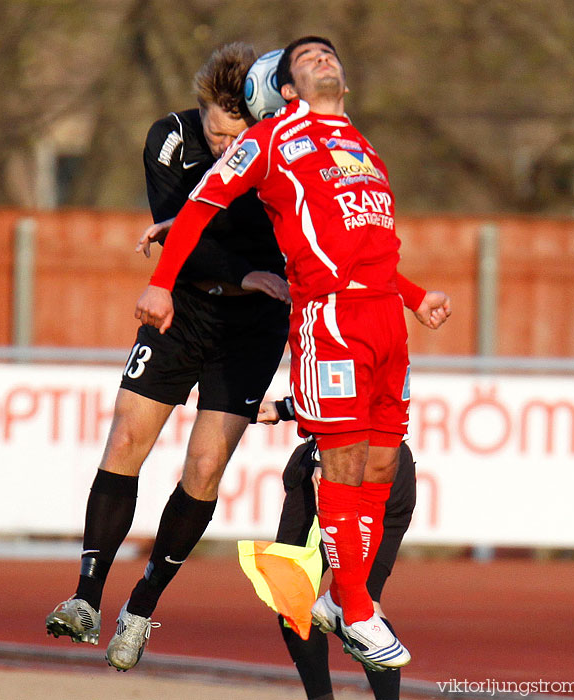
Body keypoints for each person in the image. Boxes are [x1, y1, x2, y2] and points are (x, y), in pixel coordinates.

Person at [135, 35, 437, 670]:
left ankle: (340, 601)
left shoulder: (359, 142)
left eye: (330, 54)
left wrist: (412, 295)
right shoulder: (270, 138)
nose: (324, 58)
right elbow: (199, 207)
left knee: (384, 464)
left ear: (345, 83)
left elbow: (364, 239)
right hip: (332, 320)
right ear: (289, 88)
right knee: (345, 462)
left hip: (386, 317)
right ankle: (356, 608)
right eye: (307, 58)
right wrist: (162, 284)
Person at [45, 43, 292, 670]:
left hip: (253, 329)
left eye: (236, 137)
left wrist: (234, 267)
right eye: (215, 130)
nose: (222, 148)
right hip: (182, 310)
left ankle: (142, 607)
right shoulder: (169, 140)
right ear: (202, 108)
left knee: (204, 468)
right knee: (126, 436)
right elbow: (180, 240)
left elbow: (272, 250)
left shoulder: (277, 155)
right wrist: (240, 271)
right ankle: (85, 597)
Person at [260, 401, 416, 700]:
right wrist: (287, 408)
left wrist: (320, 455)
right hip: (395, 464)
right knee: (365, 601)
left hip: (343, 462)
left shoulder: (332, 352)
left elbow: (337, 385)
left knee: (292, 593)